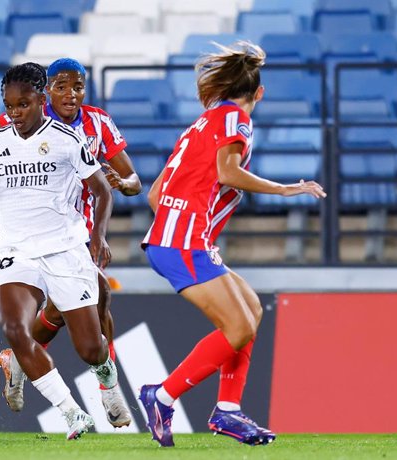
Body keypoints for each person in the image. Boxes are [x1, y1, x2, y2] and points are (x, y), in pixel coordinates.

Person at [138, 42, 326, 447]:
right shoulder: (236, 119)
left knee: (251, 311)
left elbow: (156, 195)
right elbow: (229, 171)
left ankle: (227, 411)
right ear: (259, 93)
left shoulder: (202, 123)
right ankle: (163, 396)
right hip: (183, 241)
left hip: (179, 238)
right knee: (238, 327)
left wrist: (186, 225)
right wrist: (284, 189)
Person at [0, 62, 123, 440]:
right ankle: (72, 414)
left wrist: (97, 236)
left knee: (90, 349)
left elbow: (101, 190)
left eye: (23, 104)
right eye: (10, 106)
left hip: (65, 250)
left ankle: (105, 373)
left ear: (41, 100)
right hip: (18, 252)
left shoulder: (67, 139)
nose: (15, 113)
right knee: (16, 330)